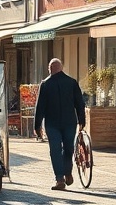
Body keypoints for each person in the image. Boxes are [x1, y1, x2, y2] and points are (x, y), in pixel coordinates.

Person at [33, 58, 86, 191]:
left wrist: (37, 126)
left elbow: (40, 107)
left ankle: (59, 179)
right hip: (69, 122)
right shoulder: (72, 82)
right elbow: (80, 103)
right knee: (68, 149)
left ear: (50, 69)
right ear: (61, 68)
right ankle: (67, 172)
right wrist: (82, 120)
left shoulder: (45, 84)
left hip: (52, 123)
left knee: (55, 150)